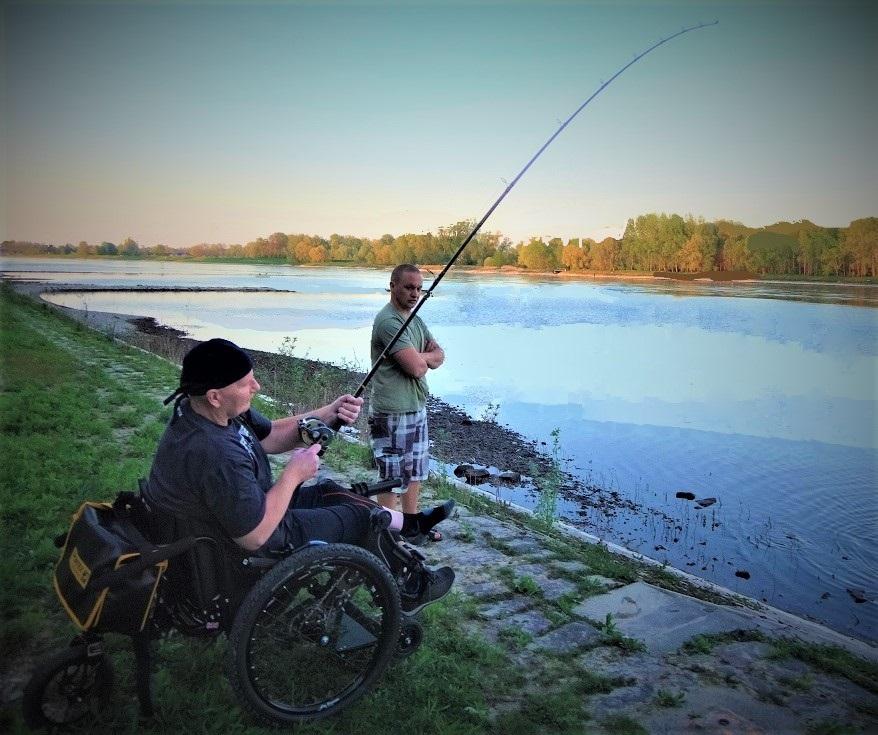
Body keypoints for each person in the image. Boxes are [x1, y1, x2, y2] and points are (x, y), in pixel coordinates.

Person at [144, 337, 454, 613]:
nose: (257, 387)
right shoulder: (214, 452)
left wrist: (328, 412)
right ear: (214, 395)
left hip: (245, 510)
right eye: (246, 384)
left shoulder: (205, 409)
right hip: (254, 539)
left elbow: (270, 435)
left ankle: (411, 524)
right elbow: (253, 537)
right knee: (363, 520)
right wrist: (293, 474)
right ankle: (413, 586)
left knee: (328, 490)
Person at [368, 263, 447, 542]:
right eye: (408, 287)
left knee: (415, 470)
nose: (415, 294)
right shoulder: (388, 321)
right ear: (392, 286)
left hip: (415, 407)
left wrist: (421, 358)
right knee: (391, 474)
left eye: (418, 288)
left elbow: (439, 355)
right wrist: (421, 359)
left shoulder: (413, 319)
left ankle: (411, 527)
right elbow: (416, 368)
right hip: (391, 411)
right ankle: (386, 534)